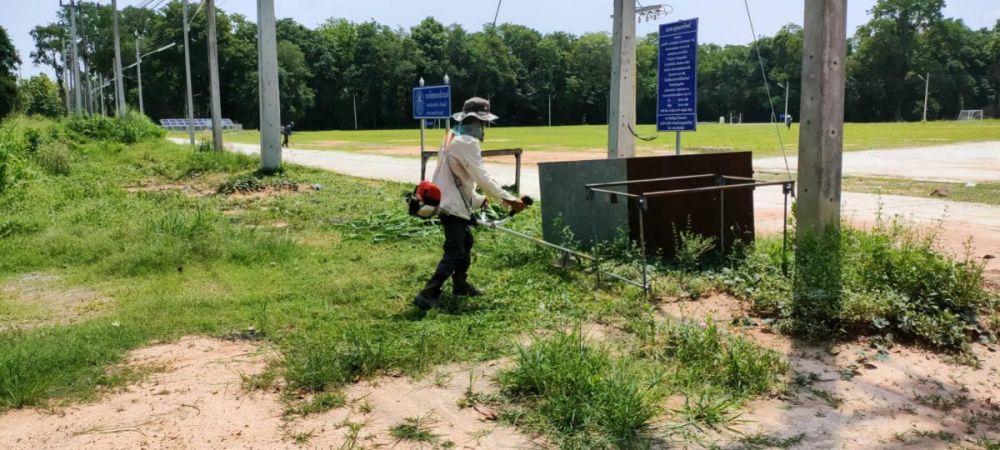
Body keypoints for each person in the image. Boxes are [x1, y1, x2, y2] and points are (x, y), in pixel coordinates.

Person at [413, 97, 525, 310]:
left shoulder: (451, 137)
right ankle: (428, 292)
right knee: (455, 250)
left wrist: (478, 200)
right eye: (483, 123)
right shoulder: (467, 142)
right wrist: (509, 198)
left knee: (466, 242)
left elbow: (456, 177)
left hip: (447, 201)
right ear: (478, 121)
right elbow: (481, 176)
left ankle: (460, 285)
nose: (483, 128)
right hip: (452, 206)